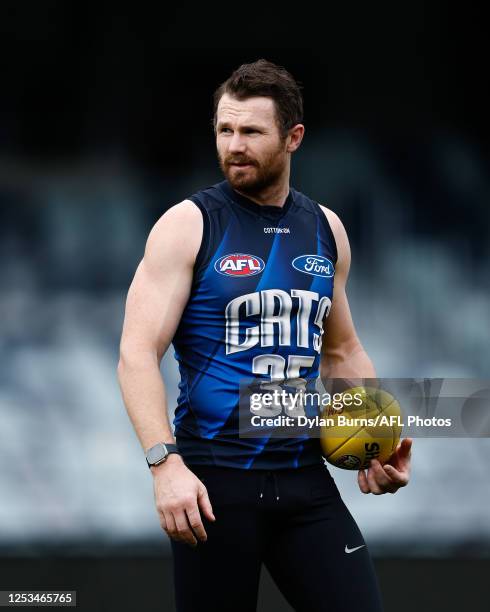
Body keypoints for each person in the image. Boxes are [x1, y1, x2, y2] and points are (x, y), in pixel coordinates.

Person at [117, 59, 412, 612]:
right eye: (224, 130)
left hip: (305, 477)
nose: (234, 145)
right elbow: (136, 353)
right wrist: (165, 466)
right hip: (213, 484)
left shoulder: (326, 228)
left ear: (293, 137)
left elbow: (342, 350)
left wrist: (375, 440)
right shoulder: (188, 224)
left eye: (251, 132)